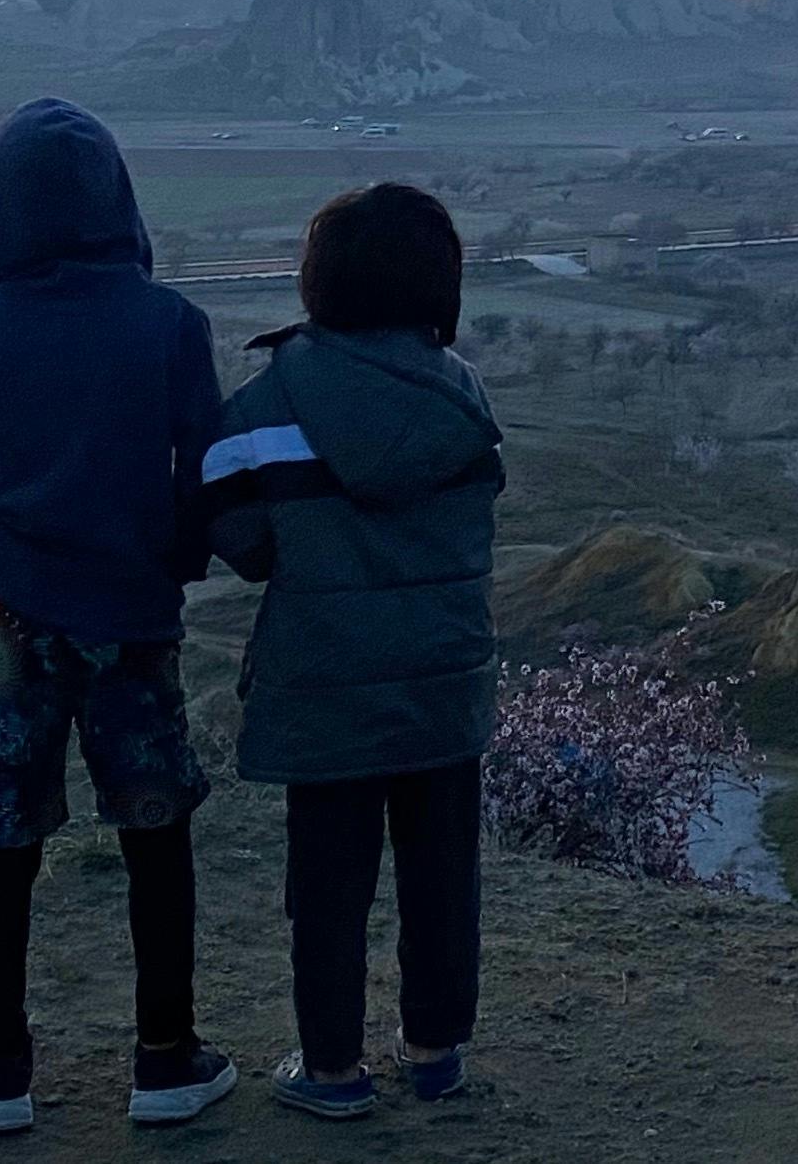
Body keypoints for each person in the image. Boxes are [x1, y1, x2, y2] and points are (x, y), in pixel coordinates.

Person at [0, 99, 232, 1136]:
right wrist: (172, 560)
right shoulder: (170, 325)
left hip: (13, 625)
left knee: (3, 843)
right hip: (136, 619)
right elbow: (204, 474)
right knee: (155, 830)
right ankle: (166, 1058)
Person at [196, 182, 503, 1121]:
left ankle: (330, 1069)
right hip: (443, 687)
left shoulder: (266, 404)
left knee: (326, 888)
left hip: (324, 685)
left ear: (317, 281)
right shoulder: (463, 398)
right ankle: (437, 1050)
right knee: (442, 874)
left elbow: (241, 545)